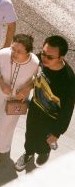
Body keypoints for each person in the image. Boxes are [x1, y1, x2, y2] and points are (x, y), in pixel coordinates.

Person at [15, 35, 75, 171]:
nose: (44, 59)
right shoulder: (39, 60)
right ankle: (28, 153)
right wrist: (28, 86)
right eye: (43, 53)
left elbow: (67, 110)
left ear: (61, 58)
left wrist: (57, 132)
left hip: (51, 119)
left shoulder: (68, 81)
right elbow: (34, 75)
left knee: (44, 142)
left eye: (50, 57)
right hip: (36, 108)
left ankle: (44, 152)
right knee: (29, 134)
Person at [0, 34, 39, 166]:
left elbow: (38, 80)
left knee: (4, 125)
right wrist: (2, 84)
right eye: (13, 49)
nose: (14, 53)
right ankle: (5, 143)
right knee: (3, 120)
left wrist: (27, 89)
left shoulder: (35, 63)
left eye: (19, 51)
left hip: (18, 100)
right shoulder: (3, 54)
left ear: (28, 52)